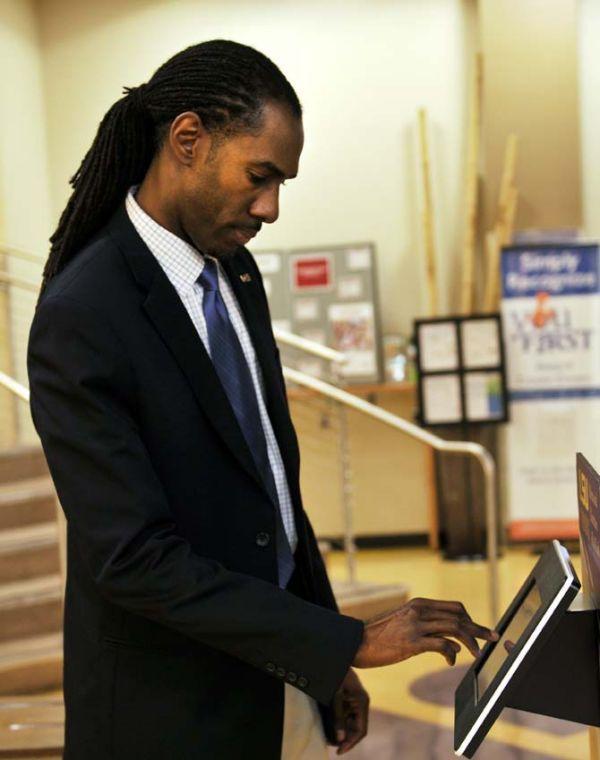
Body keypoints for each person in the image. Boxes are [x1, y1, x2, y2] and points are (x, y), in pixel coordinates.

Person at [27, 40, 497, 760]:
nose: (271, 207)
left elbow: (272, 497)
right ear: (188, 140)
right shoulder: (83, 314)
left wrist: (319, 658)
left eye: (281, 183)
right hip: (174, 714)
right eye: (260, 175)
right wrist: (350, 640)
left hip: (277, 676)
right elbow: (136, 559)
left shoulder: (235, 273)